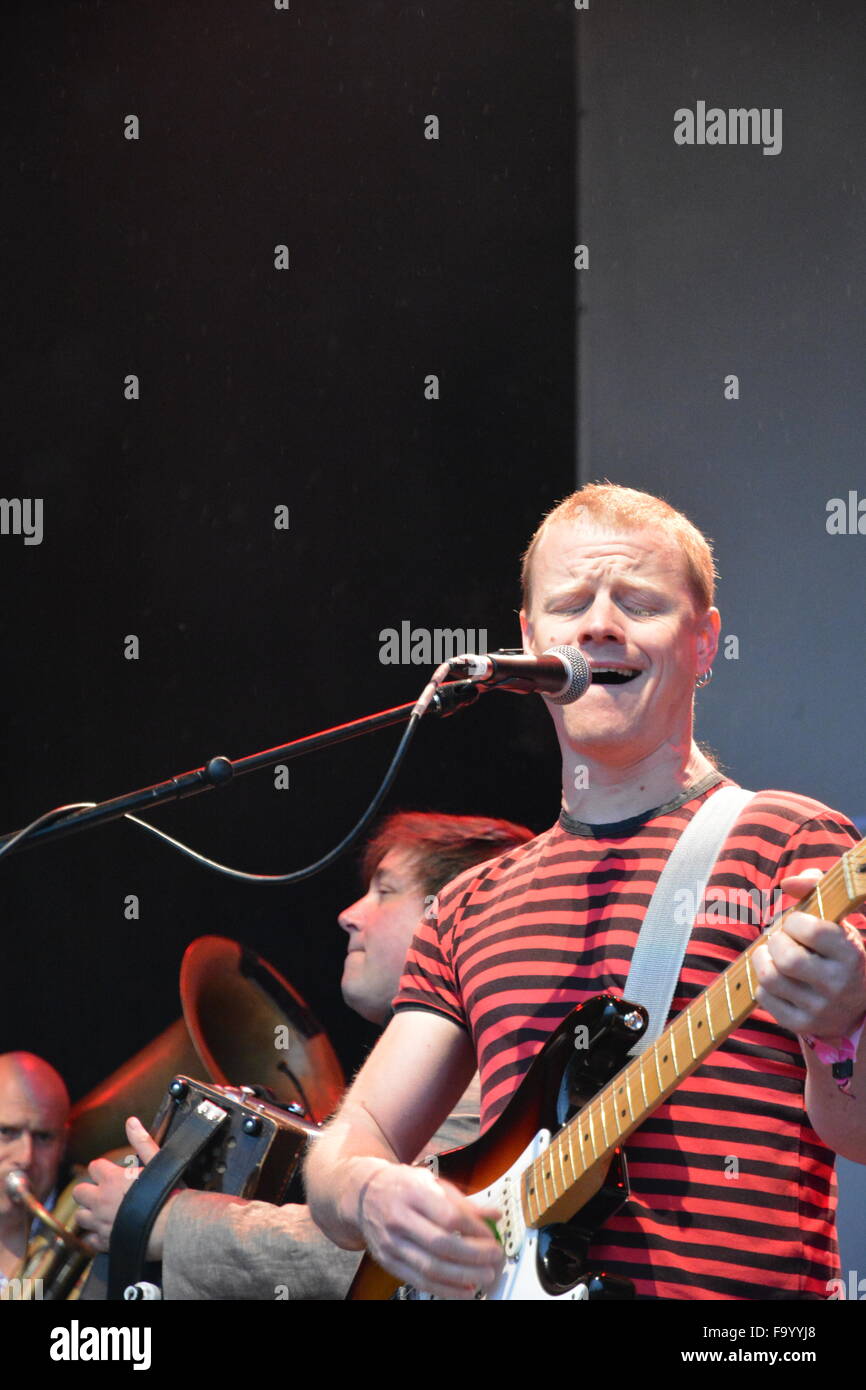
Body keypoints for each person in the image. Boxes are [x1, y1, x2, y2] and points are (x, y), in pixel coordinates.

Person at [305, 482, 866, 1301]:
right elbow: (352, 1143)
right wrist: (370, 1195)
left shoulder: (792, 843)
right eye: (571, 604)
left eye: (638, 602)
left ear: (705, 643)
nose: (600, 624)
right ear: (531, 641)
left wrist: (844, 1030)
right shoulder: (471, 904)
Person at [73, 811, 534, 1299]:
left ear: (449, 913)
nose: (350, 914)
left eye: (385, 890)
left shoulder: (483, 1081)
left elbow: (379, 1252)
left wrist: (167, 1221)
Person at [0, 1052, 70, 1293]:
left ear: (64, 1144)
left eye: (44, 1137)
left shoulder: (92, 1231)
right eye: (7, 1132)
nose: (25, 1158)